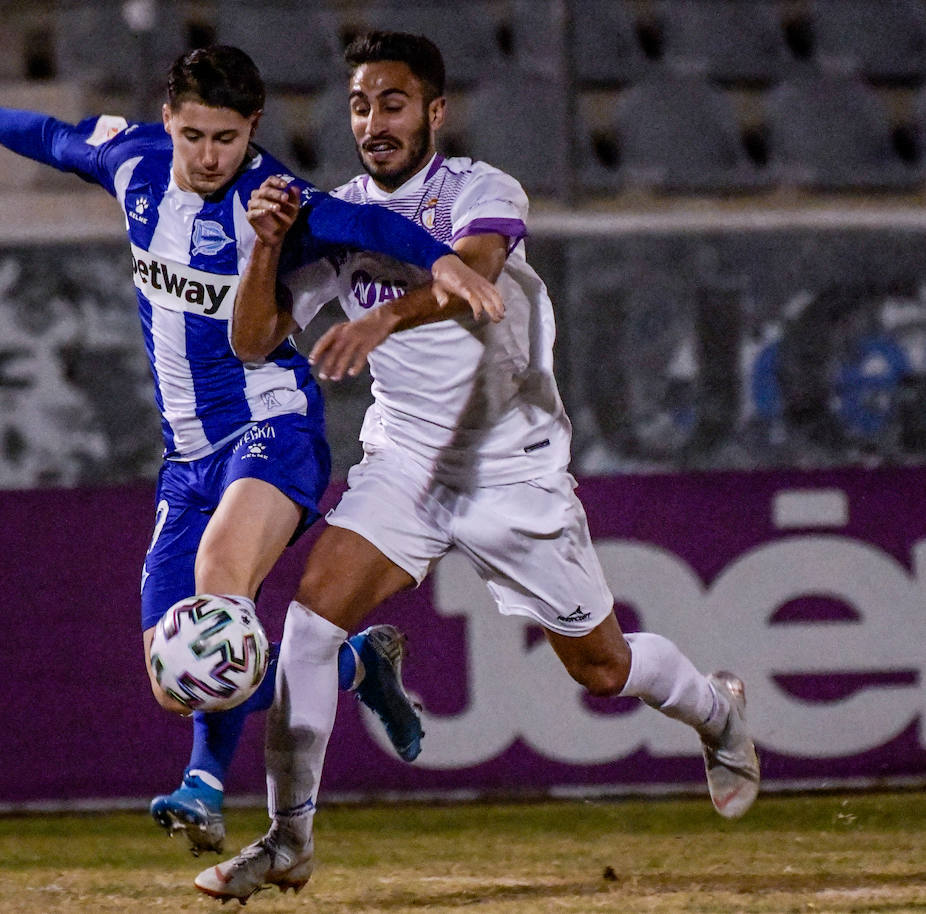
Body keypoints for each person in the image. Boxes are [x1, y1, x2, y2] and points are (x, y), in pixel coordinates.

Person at [194, 31, 761, 902]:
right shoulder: (331, 214)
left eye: (392, 103)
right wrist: (268, 244)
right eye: (359, 105)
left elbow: (476, 275)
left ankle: (716, 711)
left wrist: (381, 320)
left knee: (602, 670)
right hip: (406, 462)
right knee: (308, 631)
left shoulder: (480, 188)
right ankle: (287, 841)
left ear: (434, 111)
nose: (374, 122)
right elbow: (253, 340)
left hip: (510, 466)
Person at [0, 46, 503, 856]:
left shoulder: (273, 198)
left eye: (226, 137)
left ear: (253, 128)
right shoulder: (133, 165)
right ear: (167, 123)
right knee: (172, 674)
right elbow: (48, 136)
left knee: (218, 592)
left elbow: (365, 222)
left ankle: (204, 786)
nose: (210, 155)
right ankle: (360, 666)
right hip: (185, 457)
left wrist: (441, 263)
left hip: (271, 425)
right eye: (194, 136)